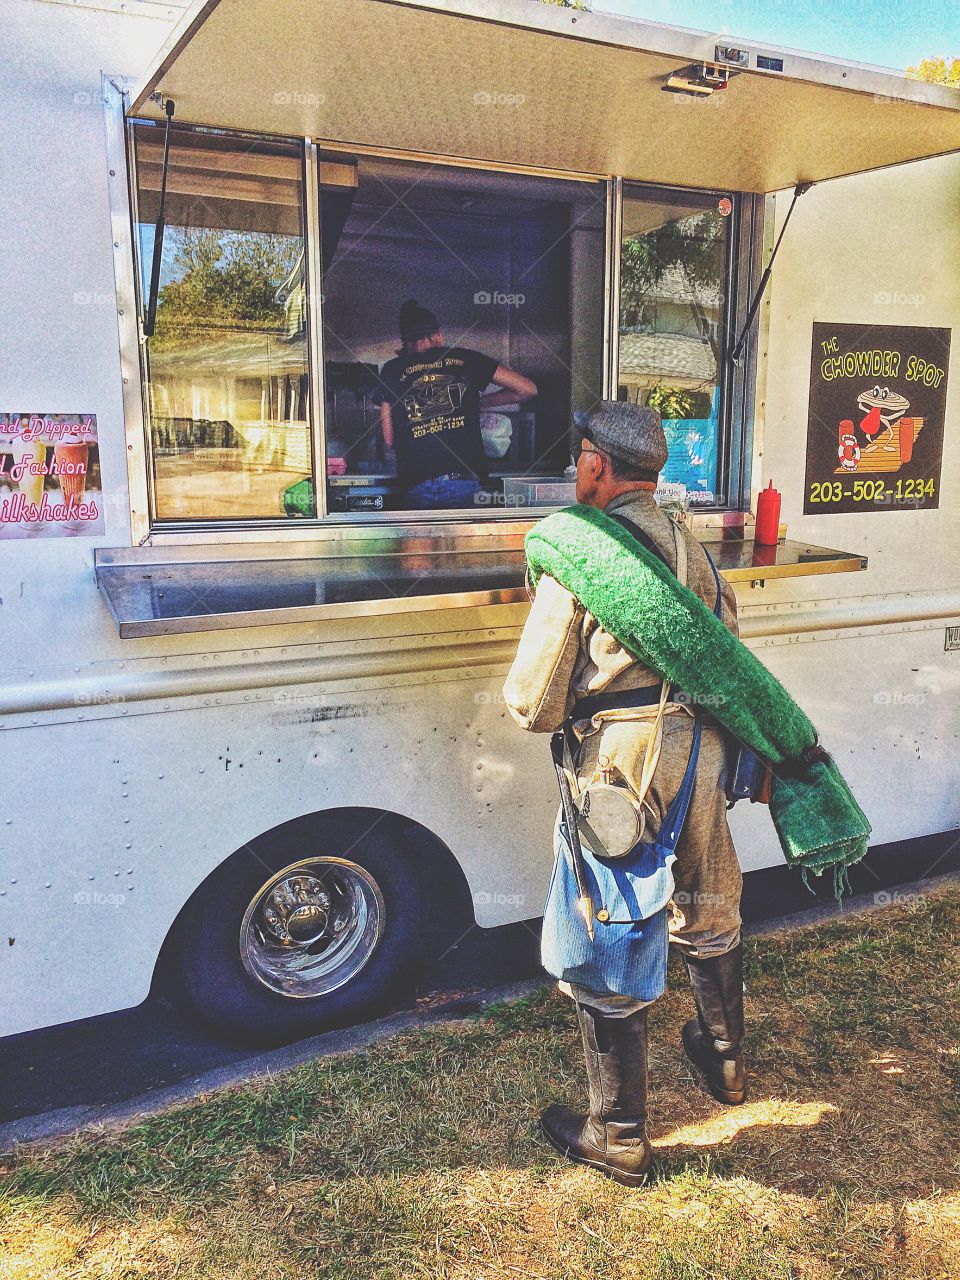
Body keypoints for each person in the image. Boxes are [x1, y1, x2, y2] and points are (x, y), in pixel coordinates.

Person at [502, 400, 746, 1186]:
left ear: (596, 466)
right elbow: (729, 652)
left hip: (622, 765)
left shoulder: (585, 551)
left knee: (613, 923)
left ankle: (621, 1136)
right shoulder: (691, 545)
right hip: (702, 747)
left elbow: (533, 700)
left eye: (578, 460)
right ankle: (725, 1058)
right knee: (708, 901)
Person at [378, 300, 537, 509]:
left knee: (420, 542)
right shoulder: (465, 359)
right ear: (437, 335)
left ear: (405, 342)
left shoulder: (391, 370)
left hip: (415, 485)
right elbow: (527, 389)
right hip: (464, 483)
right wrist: (479, 404)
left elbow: (388, 439)